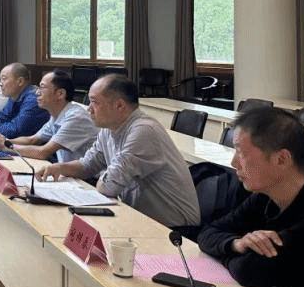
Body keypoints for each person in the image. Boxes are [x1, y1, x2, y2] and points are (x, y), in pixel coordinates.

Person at [197, 107, 304, 287]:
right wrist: (236, 244)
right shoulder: (263, 198)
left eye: (241, 153)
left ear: (281, 159)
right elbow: (207, 232)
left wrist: (226, 251)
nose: (233, 162)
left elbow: (249, 270)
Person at [35, 74, 199, 228]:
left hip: (176, 228)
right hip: (142, 218)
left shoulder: (143, 131)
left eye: (94, 102)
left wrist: (102, 179)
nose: (89, 109)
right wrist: (59, 168)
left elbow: (108, 187)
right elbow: (87, 166)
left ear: (119, 105)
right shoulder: (108, 129)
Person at [0, 70, 96, 162]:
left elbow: (43, 152)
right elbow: (33, 140)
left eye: (42, 87)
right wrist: (2, 140)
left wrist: (5, 146)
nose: (37, 92)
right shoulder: (57, 115)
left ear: (60, 94)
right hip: (67, 171)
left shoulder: (75, 117)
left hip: (85, 177)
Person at [0, 62, 50, 139]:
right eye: (0, 80)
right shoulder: (14, 96)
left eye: (4, 79)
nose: (0, 84)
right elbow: (0, 118)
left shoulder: (33, 99)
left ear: (20, 81)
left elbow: (14, 130)